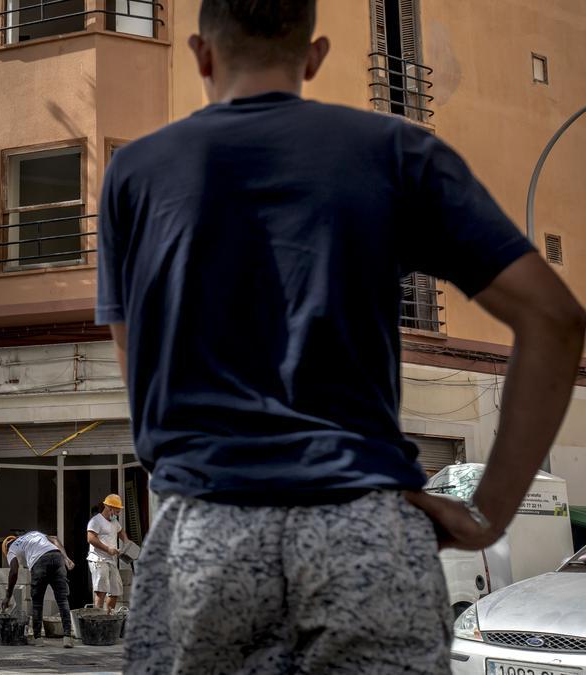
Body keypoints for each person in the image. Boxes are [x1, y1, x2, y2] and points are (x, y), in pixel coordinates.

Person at [96, 1, 586, 672]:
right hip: (365, 525)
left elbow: (135, 358)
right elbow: (554, 319)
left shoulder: (134, 174)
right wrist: (489, 512)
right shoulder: (397, 151)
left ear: (201, 54)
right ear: (315, 55)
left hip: (206, 529)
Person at [1, 531, 75, 649]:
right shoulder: (33, 534)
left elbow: (14, 571)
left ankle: (38, 638)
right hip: (57, 556)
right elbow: (55, 539)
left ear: (6, 547)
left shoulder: (11, 549)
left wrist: (7, 596)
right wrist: (66, 558)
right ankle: (67, 637)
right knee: (62, 600)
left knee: (37, 602)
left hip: (39, 562)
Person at [86, 494, 129, 613]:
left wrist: (126, 543)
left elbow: (121, 532)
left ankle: (109, 616)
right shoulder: (96, 521)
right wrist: (108, 549)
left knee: (115, 590)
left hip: (111, 560)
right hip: (99, 559)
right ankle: (97, 617)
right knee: (101, 590)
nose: (118, 513)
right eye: (116, 510)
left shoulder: (114, 521)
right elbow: (90, 538)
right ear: (108, 507)